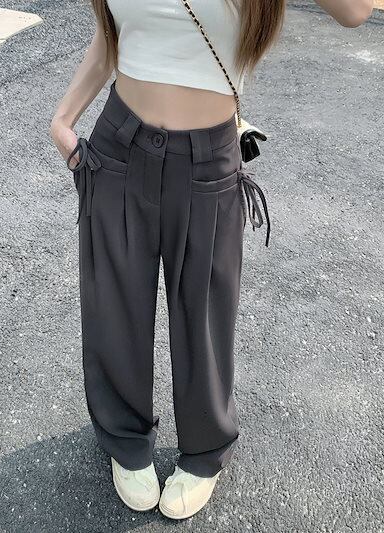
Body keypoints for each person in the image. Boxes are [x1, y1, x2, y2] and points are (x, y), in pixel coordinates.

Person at [50, 0, 373, 520]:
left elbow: (355, 12)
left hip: (208, 158)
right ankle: (124, 438)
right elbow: (112, 39)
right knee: (114, 306)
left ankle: (203, 451)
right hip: (118, 147)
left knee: (204, 313)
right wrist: (62, 121)